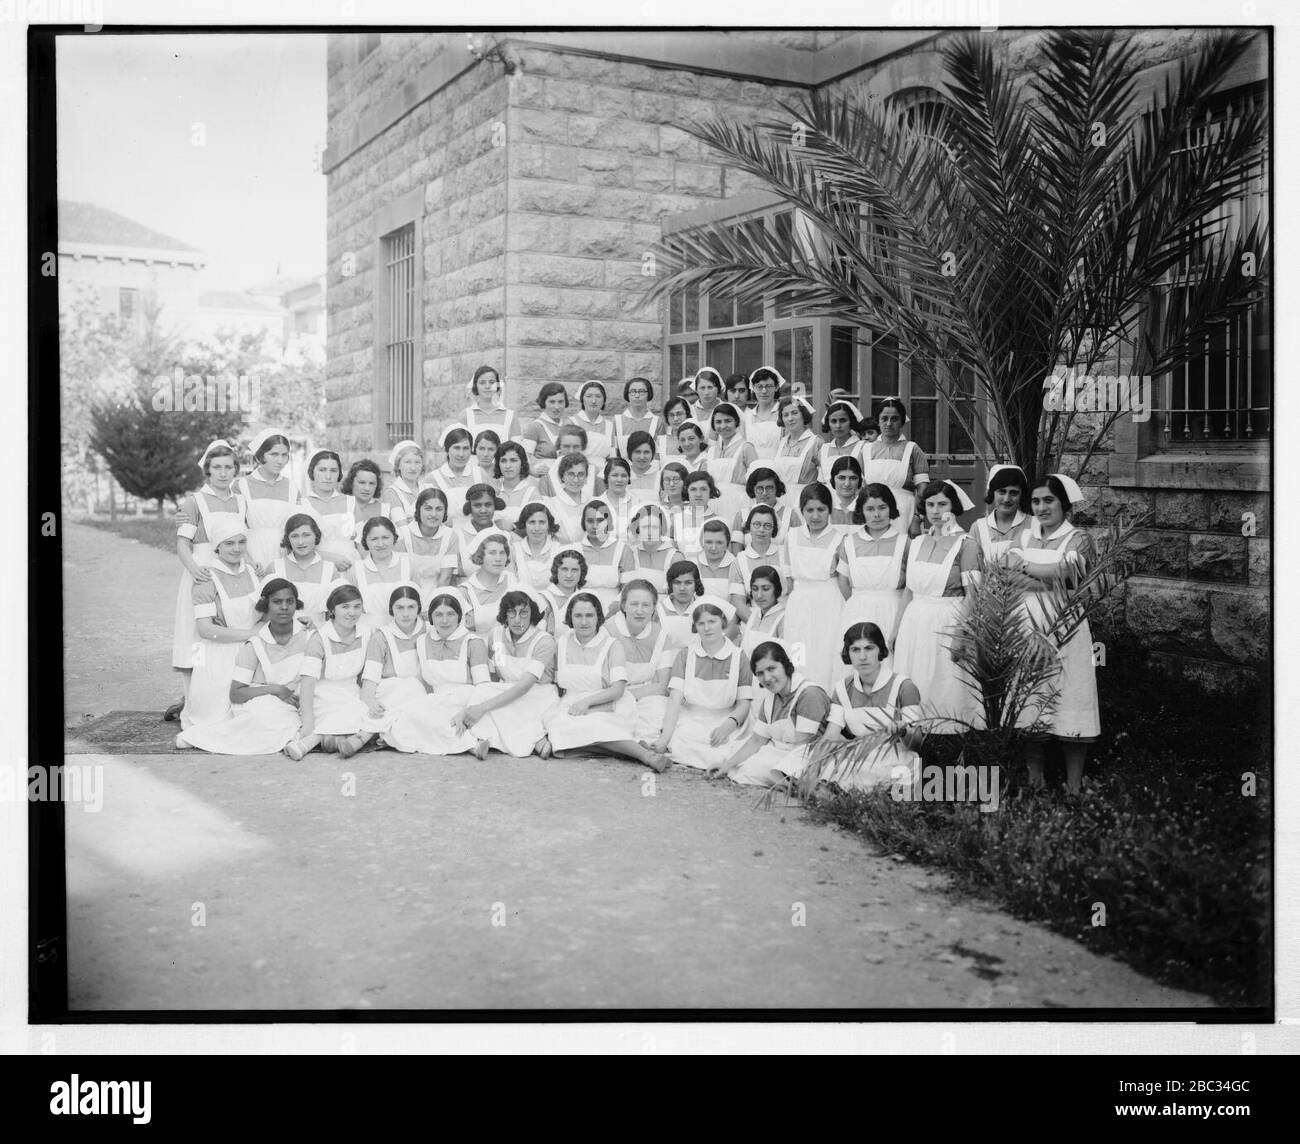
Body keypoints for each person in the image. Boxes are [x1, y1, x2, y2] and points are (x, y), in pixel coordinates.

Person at [1007, 474, 1100, 793]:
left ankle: (1074, 786)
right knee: (1031, 698)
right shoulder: (1024, 535)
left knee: (1071, 696)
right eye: (1035, 501)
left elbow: (1070, 574)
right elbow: (1007, 575)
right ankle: (1036, 780)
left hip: (1066, 627)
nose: (1041, 507)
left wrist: (1025, 568)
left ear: (1064, 504)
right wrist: (1046, 577)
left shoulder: (1079, 537)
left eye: (1049, 500)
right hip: (1026, 625)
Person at [175, 578, 311, 755]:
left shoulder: (309, 635)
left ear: (296, 604)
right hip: (268, 699)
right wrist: (276, 690)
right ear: (266, 606)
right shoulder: (255, 644)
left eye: (290, 601)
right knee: (264, 717)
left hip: (303, 699)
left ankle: (296, 735)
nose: (284, 607)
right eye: (277, 602)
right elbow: (237, 693)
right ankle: (202, 737)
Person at [539, 592, 670, 770]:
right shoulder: (561, 643)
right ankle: (629, 748)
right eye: (578, 616)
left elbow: (618, 689)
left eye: (589, 615)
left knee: (593, 724)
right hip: (571, 704)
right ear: (570, 617)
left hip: (608, 702)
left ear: (598, 617)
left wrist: (586, 703)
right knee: (559, 727)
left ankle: (646, 757)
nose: (584, 622)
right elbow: (551, 681)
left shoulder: (612, 645)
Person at [892, 479, 982, 733]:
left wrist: (960, 634)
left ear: (954, 507)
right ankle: (916, 748)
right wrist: (896, 630)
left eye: (942, 504)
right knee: (915, 686)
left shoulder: (967, 544)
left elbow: (974, 595)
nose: (935, 510)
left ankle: (949, 748)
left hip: (948, 622)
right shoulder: (918, 541)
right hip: (914, 623)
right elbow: (908, 591)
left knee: (945, 689)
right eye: (930, 504)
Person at [168, 440, 247, 720]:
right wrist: (193, 569)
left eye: (228, 467)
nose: (223, 473)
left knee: (226, 635)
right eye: (217, 467)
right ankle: (191, 705)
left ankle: (220, 700)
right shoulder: (195, 501)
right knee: (196, 641)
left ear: (236, 470)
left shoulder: (240, 501)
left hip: (231, 571)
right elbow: (182, 543)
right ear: (208, 470)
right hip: (202, 570)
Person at [384, 589, 495, 759]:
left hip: (466, 700)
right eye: (438, 615)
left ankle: (470, 743)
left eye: (450, 614)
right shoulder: (422, 642)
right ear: (431, 617)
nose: (444, 620)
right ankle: (469, 744)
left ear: (459, 616)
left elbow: (483, 687)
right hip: (438, 699)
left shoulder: (473, 642)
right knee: (404, 720)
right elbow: (424, 681)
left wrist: (467, 712)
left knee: (428, 719)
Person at [177, 517, 264, 734]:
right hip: (218, 656)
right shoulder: (206, 579)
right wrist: (250, 633)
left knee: (262, 716)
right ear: (217, 547)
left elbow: (264, 614)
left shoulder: (254, 574)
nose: (236, 549)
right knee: (220, 721)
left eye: (241, 542)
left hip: (252, 652)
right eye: (229, 543)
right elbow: (205, 630)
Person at [815, 621, 924, 790]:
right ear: (848, 653)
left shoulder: (904, 687)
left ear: (880, 650)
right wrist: (813, 766)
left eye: (869, 648)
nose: (862, 657)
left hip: (896, 760)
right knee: (808, 758)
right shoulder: (842, 689)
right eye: (855, 650)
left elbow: (916, 743)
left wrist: (903, 731)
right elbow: (831, 736)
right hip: (858, 758)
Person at [710, 641, 830, 787]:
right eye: (760, 673)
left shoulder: (809, 693)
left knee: (752, 770)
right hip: (783, 752)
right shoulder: (771, 698)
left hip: (811, 758)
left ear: (785, 665)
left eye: (771, 669)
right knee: (738, 765)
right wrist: (726, 766)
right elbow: (757, 740)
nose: (767, 678)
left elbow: (802, 748)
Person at [652, 600, 753, 770]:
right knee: (679, 742)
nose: (707, 628)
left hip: (725, 719)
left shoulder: (739, 657)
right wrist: (664, 739)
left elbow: (744, 703)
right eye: (701, 623)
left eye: (712, 622)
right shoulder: (686, 654)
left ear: (722, 621)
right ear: (695, 627)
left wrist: (729, 725)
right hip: (691, 719)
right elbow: (675, 699)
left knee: (727, 751)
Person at [458, 589, 560, 757]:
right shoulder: (496, 634)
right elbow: (495, 675)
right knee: (483, 691)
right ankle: (530, 740)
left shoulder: (544, 640)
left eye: (524, 613)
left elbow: (524, 687)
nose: (517, 620)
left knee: (497, 705)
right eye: (511, 613)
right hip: (506, 689)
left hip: (537, 694)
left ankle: (533, 740)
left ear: (533, 614)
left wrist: (482, 707)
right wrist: (485, 700)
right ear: (504, 614)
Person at [286, 584, 377, 759]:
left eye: (357, 606)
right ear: (332, 609)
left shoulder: (366, 633)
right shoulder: (320, 638)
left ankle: (312, 741)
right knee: (355, 715)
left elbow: (365, 675)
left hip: (352, 693)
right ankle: (312, 739)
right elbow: (307, 683)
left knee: (373, 711)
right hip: (323, 696)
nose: (352, 612)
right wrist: (308, 721)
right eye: (345, 607)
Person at [782, 482, 846, 689]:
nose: (815, 516)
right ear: (802, 511)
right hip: (799, 604)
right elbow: (789, 579)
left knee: (825, 652)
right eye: (810, 510)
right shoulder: (792, 536)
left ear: (830, 510)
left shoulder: (840, 538)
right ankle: (799, 694)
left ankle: (826, 697)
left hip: (829, 603)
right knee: (798, 651)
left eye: (821, 510)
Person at [837, 482, 910, 649]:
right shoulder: (849, 542)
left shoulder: (904, 543)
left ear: (891, 508)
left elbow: (910, 587)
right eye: (870, 509)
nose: (876, 515)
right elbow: (843, 581)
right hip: (857, 612)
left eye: (882, 508)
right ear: (861, 511)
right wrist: (860, 601)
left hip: (893, 612)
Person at [359, 584, 431, 739]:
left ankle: (367, 734)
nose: (406, 614)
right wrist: (371, 703)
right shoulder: (381, 638)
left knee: (415, 690)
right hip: (391, 694)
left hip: (423, 696)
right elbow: (369, 684)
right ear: (391, 609)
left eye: (411, 607)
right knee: (410, 690)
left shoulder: (431, 632)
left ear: (419, 608)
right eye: (399, 608)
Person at [606, 579, 674, 745]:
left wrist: (630, 697)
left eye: (646, 605)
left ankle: (640, 745)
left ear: (653, 608)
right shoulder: (607, 630)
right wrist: (619, 696)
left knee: (658, 715)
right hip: (611, 693)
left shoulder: (661, 636)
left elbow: (662, 686)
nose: (639, 611)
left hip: (647, 695)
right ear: (623, 606)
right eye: (634, 604)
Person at [861, 398, 931, 536]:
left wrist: (917, 519)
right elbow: (860, 487)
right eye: (884, 418)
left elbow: (923, 489)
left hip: (904, 513)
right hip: (873, 512)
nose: (888, 423)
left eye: (894, 419)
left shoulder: (912, 449)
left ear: (902, 422)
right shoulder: (866, 449)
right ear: (878, 420)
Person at [238, 427, 301, 567]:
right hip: (252, 555)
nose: (280, 460)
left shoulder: (292, 488)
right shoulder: (242, 486)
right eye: (274, 454)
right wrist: (248, 560)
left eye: (284, 455)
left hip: (284, 556)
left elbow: (298, 527)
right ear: (261, 455)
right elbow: (233, 528)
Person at [272, 512, 345, 627]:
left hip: (320, 633)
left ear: (316, 535)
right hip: (284, 633)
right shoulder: (275, 567)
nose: (300, 542)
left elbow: (337, 611)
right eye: (294, 536)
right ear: (288, 539)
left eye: (306, 535)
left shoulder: (330, 570)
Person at [348, 516, 417, 637]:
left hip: (404, 632)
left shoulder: (408, 564)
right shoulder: (356, 570)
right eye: (374, 539)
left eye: (385, 537)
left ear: (394, 538)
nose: (380, 544)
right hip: (368, 633)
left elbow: (416, 602)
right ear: (365, 541)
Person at [397, 487, 458, 597]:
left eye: (439, 509)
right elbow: (403, 576)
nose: (433, 514)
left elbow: (445, 578)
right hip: (408, 596)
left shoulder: (451, 536)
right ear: (418, 509)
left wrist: (435, 604)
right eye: (428, 508)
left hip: (437, 596)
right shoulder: (403, 534)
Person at [301, 449, 357, 568]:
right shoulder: (302, 505)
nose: (328, 476)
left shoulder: (351, 502)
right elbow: (298, 546)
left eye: (333, 470)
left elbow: (362, 542)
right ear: (312, 472)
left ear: (339, 474)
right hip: (318, 566)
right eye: (322, 470)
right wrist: (330, 558)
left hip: (352, 564)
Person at [972, 463, 1030, 564]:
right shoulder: (978, 528)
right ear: (992, 493)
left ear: (1022, 495)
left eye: (1013, 493)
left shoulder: (1034, 525)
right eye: (1002, 492)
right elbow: (972, 568)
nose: (1007, 499)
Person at [576, 499, 627, 614]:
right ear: (583, 523)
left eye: (600, 521)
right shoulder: (575, 550)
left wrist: (616, 607)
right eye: (590, 521)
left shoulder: (622, 549)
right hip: (581, 610)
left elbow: (628, 586)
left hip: (615, 611)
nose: (595, 526)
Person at [460, 531, 516, 634]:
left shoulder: (512, 580)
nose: (498, 559)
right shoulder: (465, 592)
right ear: (480, 556)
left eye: (502, 553)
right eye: (492, 553)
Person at [621, 503, 681, 595]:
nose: (649, 533)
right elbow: (625, 591)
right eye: (645, 527)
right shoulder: (631, 553)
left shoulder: (675, 557)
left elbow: (679, 593)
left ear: (662, 529)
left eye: (654, 527)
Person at [455, 484, 510, 578]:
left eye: (488, 505)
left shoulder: (506, 536)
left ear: (495, 506)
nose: (483, 510)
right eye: (477, 505)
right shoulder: (457, 536)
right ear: (469, 507)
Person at [696, 519, 747, 617]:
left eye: (719, 543)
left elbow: (739, 604)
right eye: (708, 542)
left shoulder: (737, 565)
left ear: (727, 544)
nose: (713, 547)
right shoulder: (693, 563)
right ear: (702, 543)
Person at [735, 504, 791, 592]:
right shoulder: (739, 560)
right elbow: (738, 600)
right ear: (749, 526)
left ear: (774, 529)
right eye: (756, 524)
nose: (761, 530)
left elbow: (792, 591)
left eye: (767, 525)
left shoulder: (786, 554)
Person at [738, 564, 789, 660]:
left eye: (765, 589)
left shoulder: (784, 618)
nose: (759, 595)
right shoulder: (754, 614)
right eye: (755, 589)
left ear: (777, 589)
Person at [770, 396, 822, 491]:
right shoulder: (782, 443)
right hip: (781, 497)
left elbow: (824, 478)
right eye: (785, 415)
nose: (790, 419)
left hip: (805, 498)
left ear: (803, 415)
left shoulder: (816, 442)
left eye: (794, 413)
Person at [674, 469, 727, 560]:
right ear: (687, 491)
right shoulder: (676, 519)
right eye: (693, 489)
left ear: (710, 491)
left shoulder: (719, 521)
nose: (698, 494)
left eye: (703, 489)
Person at [512, 502, 564, 591]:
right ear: (524, 524)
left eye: (542, 522)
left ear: (549, 524)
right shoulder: (514, 550)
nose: (537, 528)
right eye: (532, 522)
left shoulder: (559, 550)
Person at [737, 466, 801, 538]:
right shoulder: (742, 515)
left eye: (769, 488)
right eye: (760, 488)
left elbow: (796, 546)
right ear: (753, 489)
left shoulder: (791, 515)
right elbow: (736, 547)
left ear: (777, 488)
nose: (764, 493)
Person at [427, 425, 477, 516]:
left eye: (466, 448)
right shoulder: (433, 478)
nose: (461, 454)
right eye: (456, 448)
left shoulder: (479, 474)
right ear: (446, 449)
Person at [545, 451, 593, 544]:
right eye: (571, 474)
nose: (576, 480)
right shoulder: (550, 505)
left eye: (581, 474)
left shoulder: (594, 503)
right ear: (562, 476)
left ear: (586, 477)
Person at [520, 381, 570, 467]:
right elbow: (525, 459)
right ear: (544, 402)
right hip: (541, 475)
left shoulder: (568, 426)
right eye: (552, 402)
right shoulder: (535, 427)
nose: (557, 407)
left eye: (560, 402)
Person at [493, 441, 541, 531]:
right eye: (503, 461)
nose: (508, 466)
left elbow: (536, 527)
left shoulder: (532, 493)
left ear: (522, 463)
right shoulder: (492, 490)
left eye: (513, 460)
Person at [657, 559, 704, 650]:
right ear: (670, 585)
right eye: (677, 583)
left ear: (696, 584)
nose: (682, 588)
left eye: (688, 583)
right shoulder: (658, 610)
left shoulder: (703, 609)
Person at [462, 364, 516, 441]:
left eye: (491, 382)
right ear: (475, 386)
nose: (487, 386)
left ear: (497, 385)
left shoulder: (511, 416)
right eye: (482, 382)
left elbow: (517, 449)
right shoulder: (465, 415)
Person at [381, 439, 427, 529]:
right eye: (407, 462)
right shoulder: (391, 492)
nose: (413, 468)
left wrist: (414, 519)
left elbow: (444, 521)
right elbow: (402, 526)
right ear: (398, 465)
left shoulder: (428, 488)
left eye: (417, 462)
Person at [543, 548, 588, 638]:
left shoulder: (586, 598)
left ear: (582, 573)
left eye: (574, 570)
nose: (569, 575)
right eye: (564, 569)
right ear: (556, 571)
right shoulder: (544, 598)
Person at [594, 456, 644, 538]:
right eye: (615, 475)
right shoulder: (596, 505)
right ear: (607, 477)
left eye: (624, 476)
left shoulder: (638, 504)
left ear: (628, 478)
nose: (619, 480)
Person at [818, 399, 865, 484]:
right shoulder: (824, 449)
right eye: (833, 421)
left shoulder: (863, 447)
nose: (838, 425)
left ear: (851, 421)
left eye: (843, 420)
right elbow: (821, 482)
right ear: (828, 423)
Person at [743, 366, 786, 459]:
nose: (764, 391)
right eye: (759, 387)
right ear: (753, 388)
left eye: (768, 386)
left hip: (778, 467)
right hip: (752, 468)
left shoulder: (784, 413)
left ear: (776, 387)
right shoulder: (747, 416)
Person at [571, 380, 616, 466]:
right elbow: (566, 454)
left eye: (598, 396)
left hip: (603, 473)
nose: (593, 401)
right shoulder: (572, 422)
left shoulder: (610, 426)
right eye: (589, 396)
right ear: (582, 399)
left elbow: (613, 456)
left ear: (604, 400)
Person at [340, 459, 384, 539]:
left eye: (372, 483)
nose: (367, 488)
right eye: (362, 483)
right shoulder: (339, 506)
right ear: (351, 483)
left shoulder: (385, 510)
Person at [613, 378, 660, 455]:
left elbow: (659, 453)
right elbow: (613, 452)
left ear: (649, 394)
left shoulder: (658, 422)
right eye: (633, 392)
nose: (637, 396)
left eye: (641, 392)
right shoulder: (617, 421)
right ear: (627, 394)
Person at [828, 455, 865, 533]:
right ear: (832, 479)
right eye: (842, 478)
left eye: (853, 478)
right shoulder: (823, 506)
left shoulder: (868, 507)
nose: (847, 484)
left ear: (860, 481)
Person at [688, 366, 725, 438]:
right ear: (696, 390)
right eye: (702, 388)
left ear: (718, 388)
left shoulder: (727, 409)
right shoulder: (689, 410)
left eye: (710, 387)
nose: (706, 392)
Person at [625, 430, 661, 496]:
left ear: (652, 453)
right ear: (630, 453)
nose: (642, 457)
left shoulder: (660, 477)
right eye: (637, 452)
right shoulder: (621, 475)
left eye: (646, 452)